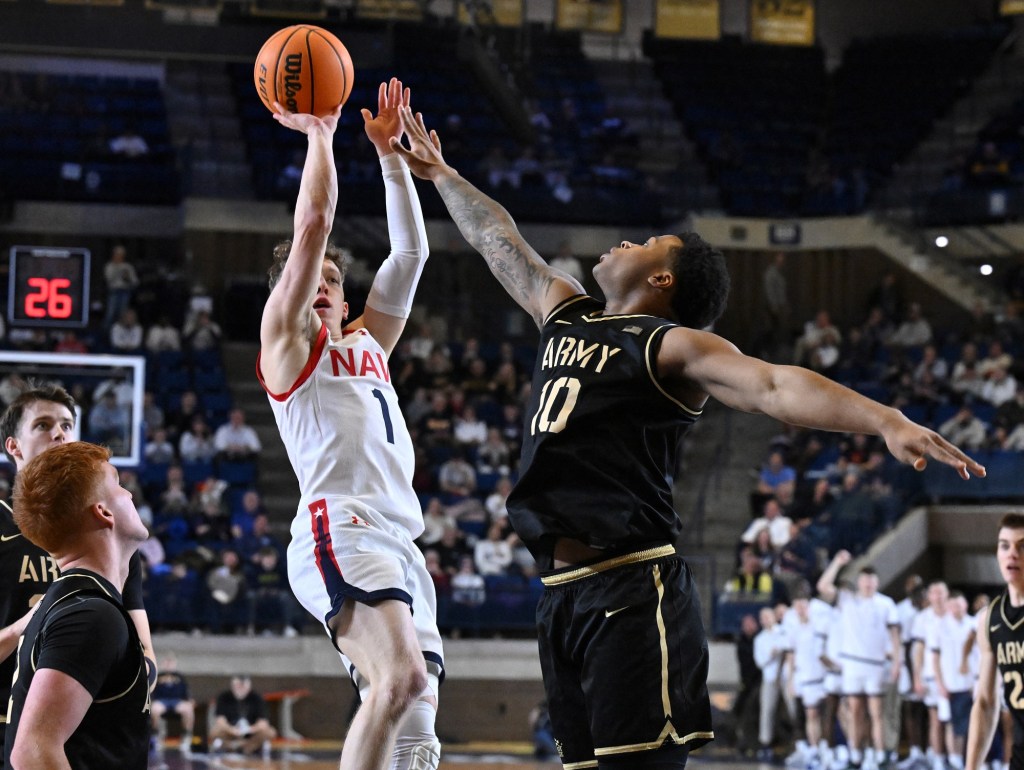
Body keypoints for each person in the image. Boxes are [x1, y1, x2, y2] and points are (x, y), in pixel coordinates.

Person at [391, 105, 986, 768]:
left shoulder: (669, 344)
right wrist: (440, 174)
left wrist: (885, 420)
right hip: (561, 596)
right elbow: (500, 241)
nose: (621, 243)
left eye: (643, 244)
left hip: (631, 585)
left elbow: (772, 388)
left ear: (662, 279)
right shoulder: (565, 311)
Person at [256, 78, 442, 770]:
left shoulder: (367, 343)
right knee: (401, 681)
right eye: (318, 279)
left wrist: (391, 157)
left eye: (337, 278)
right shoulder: (287, 348)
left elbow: (411, 257)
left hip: (398, 535)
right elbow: (312, 228)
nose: (328, 284)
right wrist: (322, 135)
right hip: (341, 526)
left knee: (418, 733)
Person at [0, 383, 156, 763]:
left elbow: (143, 652)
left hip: (73, 716)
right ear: (13, 447)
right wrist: (22, 629)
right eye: (43, 425)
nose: (59, 434)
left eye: (68, 425)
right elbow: (33, 751)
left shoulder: (104, 570)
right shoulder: (90, 611)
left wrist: (124, 678)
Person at [818, 553, 901, 770]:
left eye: (871, 580)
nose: (868, 584)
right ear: (859, 582)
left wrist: (897, 662)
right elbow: (823, 586)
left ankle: (880, 753)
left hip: (875, 665)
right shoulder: (848, 600)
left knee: (876, 711)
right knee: (855, 711)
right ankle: (855, 754)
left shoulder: (886, 604)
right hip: (852, 665)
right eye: (864, 579)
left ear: (877, 582)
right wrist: (836, 563)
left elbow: (895, 635)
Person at [965, 513, 1024, 770]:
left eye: (1022, 546)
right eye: (1005, 545)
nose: (1012, 553)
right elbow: (986, 703)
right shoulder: (990, 619)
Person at [209, 674, 277, 757]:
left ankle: (244, 747)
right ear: (232, 685)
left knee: (270, 732)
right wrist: (232, 730)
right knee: (214, 732)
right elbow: (220, 720)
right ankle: (233, 746)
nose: (240, 688)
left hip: (251, 732)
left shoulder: (257, 698)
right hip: (230, 731)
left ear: (249, 686)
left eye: (243, 686)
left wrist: (250, 729)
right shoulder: (224, 697)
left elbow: (263, 722)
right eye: (237, 685)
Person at [151, 652, 196, 756]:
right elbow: (152, 692)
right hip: (162, 701)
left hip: (177, 701)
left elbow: (187, 694)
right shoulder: (158, 675)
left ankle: (186, 737)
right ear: (163, 664)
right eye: (167, 662)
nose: (169, 665)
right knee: (154, 709)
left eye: (171, 662)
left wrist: (190, 702)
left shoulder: (180, 677)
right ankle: (156, 736)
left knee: (188, 709)